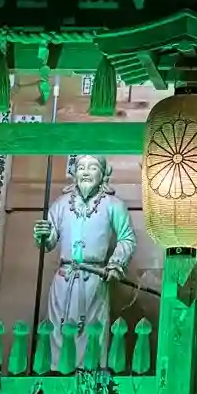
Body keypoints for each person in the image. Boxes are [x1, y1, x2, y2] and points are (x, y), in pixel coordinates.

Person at [33, 155, 136, 369]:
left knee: (93, 335)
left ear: (103, 174)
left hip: (94, 280)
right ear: (74, 173)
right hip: (64, 280)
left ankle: (90, 380)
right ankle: (57, 377)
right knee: (58, 333)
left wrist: (116, 263)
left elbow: (127, 238)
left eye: (92, 167)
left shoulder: (114, 205)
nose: (86, 172)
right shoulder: (61, 205)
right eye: (81, 168)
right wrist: (43, 234)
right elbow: (49, 243)